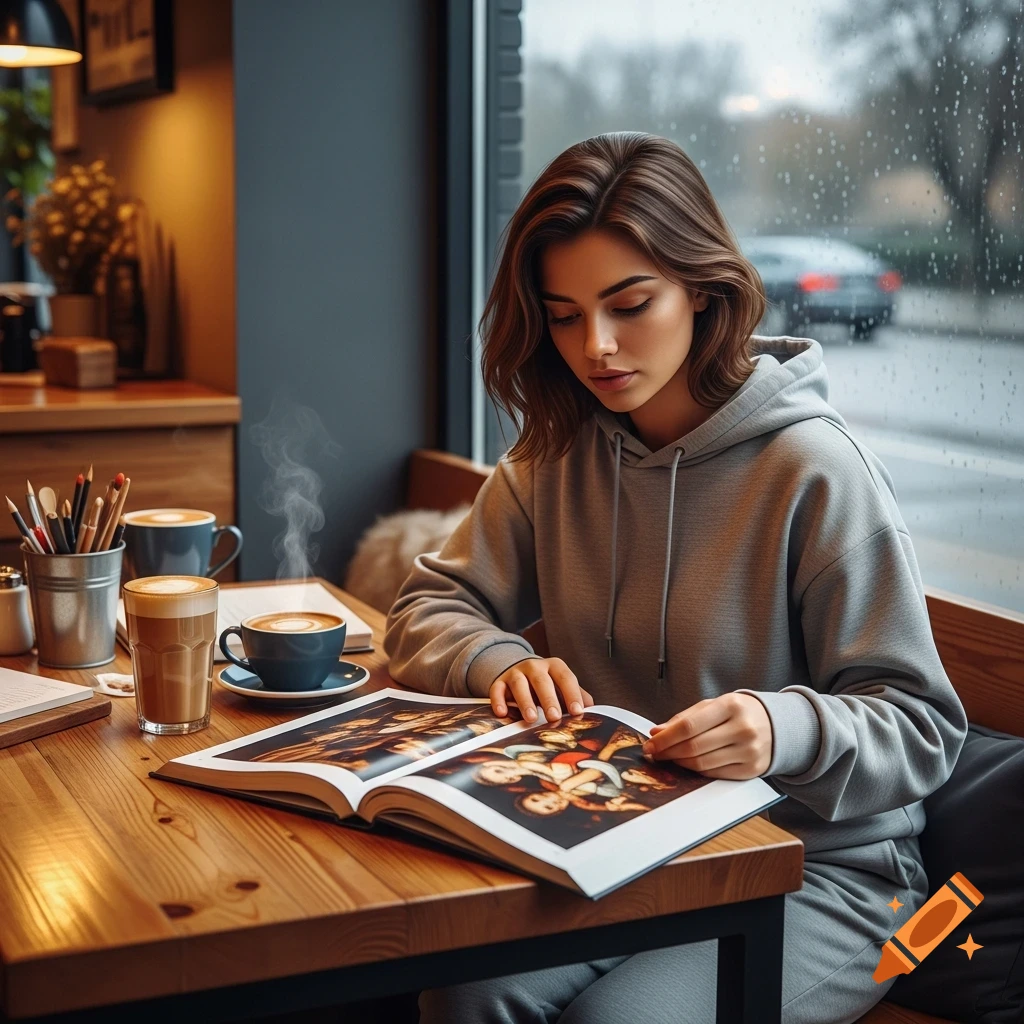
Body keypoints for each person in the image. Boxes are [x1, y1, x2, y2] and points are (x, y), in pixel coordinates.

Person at [384, 133, 967, 1024]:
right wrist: (494, 660)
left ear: (703, 287)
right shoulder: (556, 454)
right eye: (565, 314)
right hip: (622, 840)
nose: (598, 347)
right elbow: (431, 601)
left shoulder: (816, 471)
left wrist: (784, 727)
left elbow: (922, 727)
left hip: (828, 872)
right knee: (465, 995)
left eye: (630, 304)